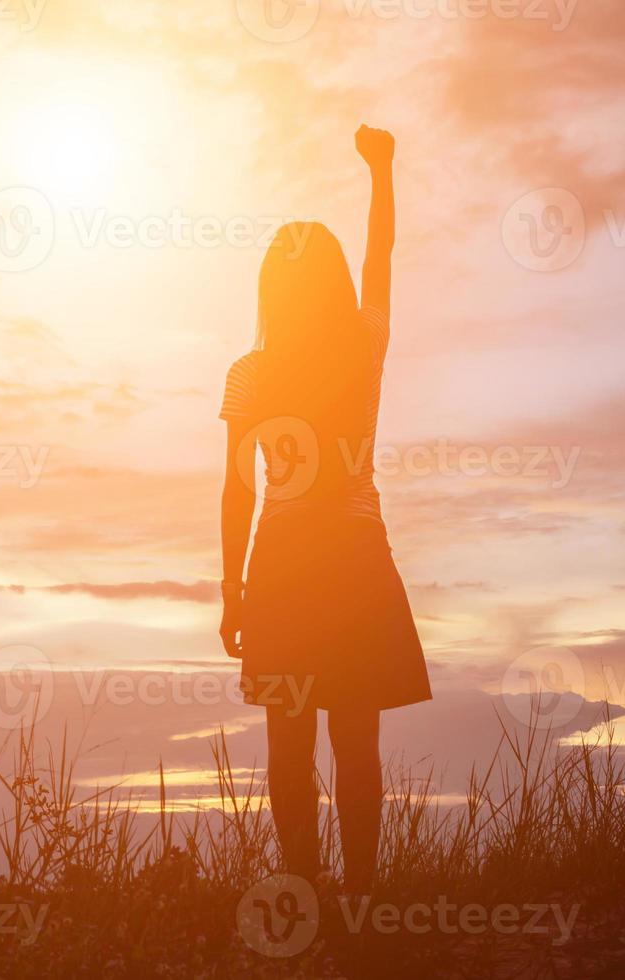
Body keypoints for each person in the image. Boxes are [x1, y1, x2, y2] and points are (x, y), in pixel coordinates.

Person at [217, 125, 432, 895]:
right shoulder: (364, 343)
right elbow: (382, 259)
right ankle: (364, 895)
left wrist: (231, 591)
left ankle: (299, 891)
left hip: (281, 566)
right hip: (355, 558)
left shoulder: (252, 371)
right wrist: (381, 171)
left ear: (272, 287)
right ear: (332, 281)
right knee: (356, 738)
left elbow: (239, 488)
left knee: (288, 738)